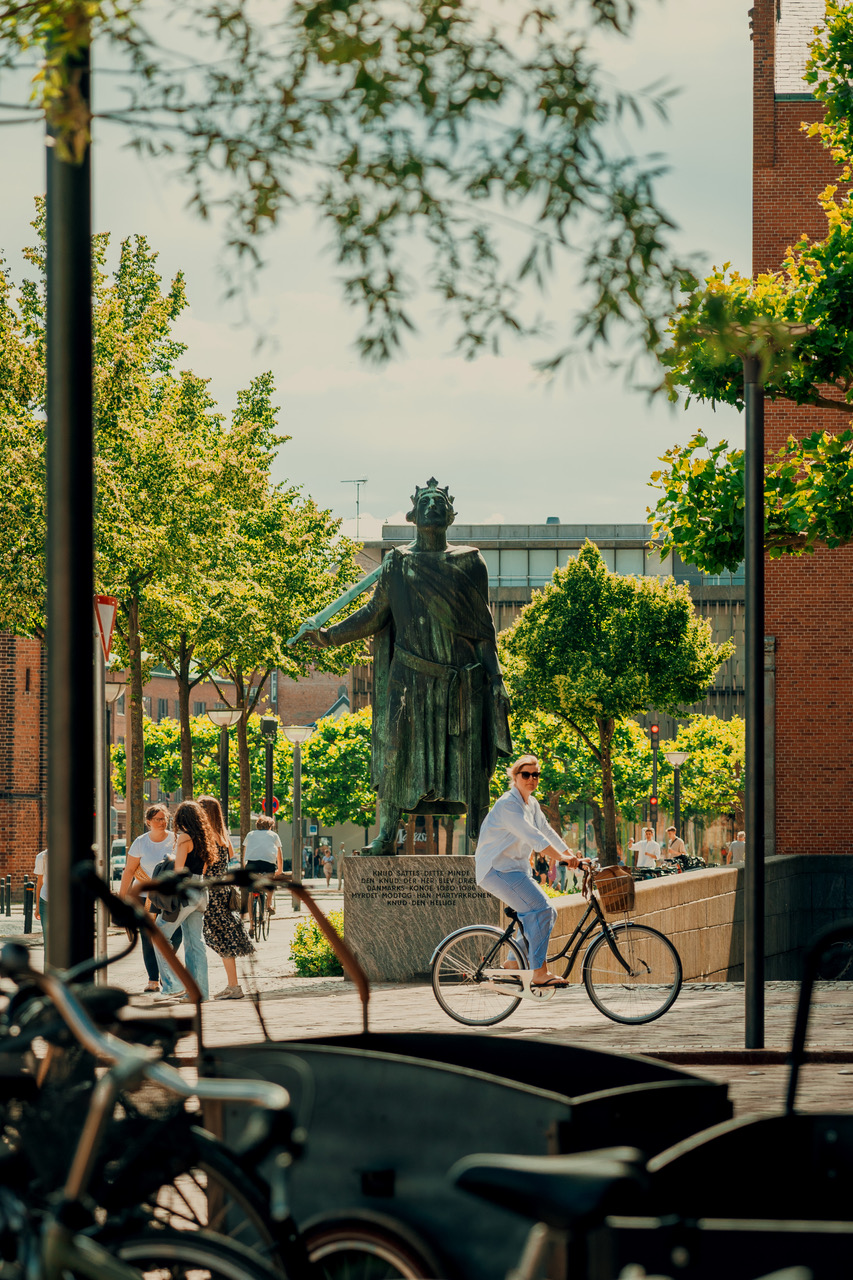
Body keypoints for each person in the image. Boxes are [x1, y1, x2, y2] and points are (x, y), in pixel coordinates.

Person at [306, 478, 512, 853]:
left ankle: (480, 836)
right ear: (412, 515)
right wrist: (329, 636)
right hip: (409, 679)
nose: (433, 506)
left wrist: (496, 679)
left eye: (439, 502)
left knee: (467, 758)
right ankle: (387, 835)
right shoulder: (397, 562)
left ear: (451, 516)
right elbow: (374, 614)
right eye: (426, 502)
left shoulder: (470, 562)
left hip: (460, 681)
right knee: (396, 753)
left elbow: (484, 630)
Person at [475, 754, 585, 989]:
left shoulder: (532, 803)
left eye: (536, 775)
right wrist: (563, 858)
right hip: (496, 869)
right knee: (541, 910)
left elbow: (546, 830)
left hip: (515, 869)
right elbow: (534, 837)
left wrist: (571, 856)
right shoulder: (508, 804)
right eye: (525, 774)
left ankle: (513, 964)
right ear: (515, 777)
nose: (531, 779)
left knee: (547, 912)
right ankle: (539, 972)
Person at [153, 800, 213, 1004]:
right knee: (195, 943)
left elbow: (179, 870)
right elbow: (202, 869)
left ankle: (173, 985)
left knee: (159, 934)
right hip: (200, 890)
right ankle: (200, 993)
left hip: (185, 890)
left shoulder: (184, 837)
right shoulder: (204, 838)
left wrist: (170, 858)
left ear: (181, 818)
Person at [119, 804, 181, 994]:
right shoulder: (141, 842)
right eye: (158, 819)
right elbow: (129, 871)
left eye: (165, 818)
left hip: (169, 895)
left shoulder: (175, 840)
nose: (163, 822)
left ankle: (165, 969)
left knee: (176, 935)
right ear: (148, 822)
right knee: (147, 937)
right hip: (145, 897)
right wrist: (122, 896)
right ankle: (153, 980)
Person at [197, 795, 254, 1001]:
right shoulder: (223, 836)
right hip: (223, 890)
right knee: (223, 937)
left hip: (210, 891)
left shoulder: (206, 837)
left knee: (206, 937)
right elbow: (230, 856)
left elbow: (203, 869)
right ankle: (232, 985)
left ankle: (230, 986)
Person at [243, 816, 283, 914]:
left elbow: (244, 853)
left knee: (251, 889)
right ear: (270, 826)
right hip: (268, 864)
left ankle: (251, 920)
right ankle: (269, 905)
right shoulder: (274, 835)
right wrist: (280, 870)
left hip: (251, 864)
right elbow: (279, 856)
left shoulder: (250, 834)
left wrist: (245, 866)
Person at [33, 849, 48, 941]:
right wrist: (38, 907)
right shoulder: (41, 857)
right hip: (45, 900)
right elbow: (40, 883)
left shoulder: (41, 856)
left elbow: (39, 883)